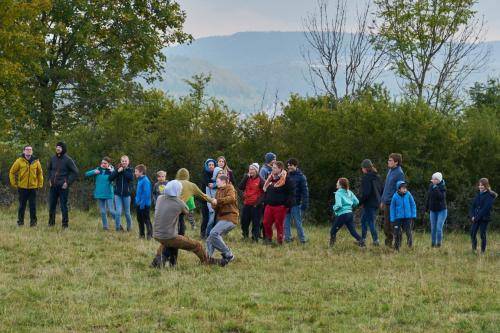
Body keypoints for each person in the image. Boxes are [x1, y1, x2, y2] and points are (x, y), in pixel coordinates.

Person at [161, 168, 215, 266]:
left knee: (170, 238)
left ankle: (169, 261)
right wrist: (213, 201)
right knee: (177, 238)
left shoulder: (173, 183)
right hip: (179, 215)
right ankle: (165, 260)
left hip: (167, 214)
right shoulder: (191, 185)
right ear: (188, 175)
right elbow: (204, 196)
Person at [151, 180, 208, 268]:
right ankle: (206, 262)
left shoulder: (160, 198)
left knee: (167, 244)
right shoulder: (179, 203)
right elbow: (187, 211)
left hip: (156, 234)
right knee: (197, 245)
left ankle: (159, 261)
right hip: (169, 235)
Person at [9, 145, 44, 227]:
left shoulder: (36, 162)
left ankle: (33, 223)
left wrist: (40, 184)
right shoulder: (19, 161)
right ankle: (20, 223)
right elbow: (11, 172)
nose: (28, 151)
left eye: (30, 150)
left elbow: (40, 173)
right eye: (27, 149)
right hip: (22, 188)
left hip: (33, 188)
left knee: (33, 206)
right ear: (24, 151)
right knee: (22, 206)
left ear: (32, 151)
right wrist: (14, 183)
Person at [207, 174, 238, 266]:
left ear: (223, 181)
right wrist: (213, 203)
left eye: (217, 181)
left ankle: (228, 254)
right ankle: (206, 258)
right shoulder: (218, 191)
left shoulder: (230, 188)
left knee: (213, 233)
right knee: (210, 239)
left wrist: (218, 201)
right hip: (221, 218)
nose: (216, 183)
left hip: (230, 217)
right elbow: (216, 206)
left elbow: (231, 198)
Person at [47, 142, 79, 228]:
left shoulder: (68, 160)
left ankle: (65, 225)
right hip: (53, 186)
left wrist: (67, 183)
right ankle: (51, 224)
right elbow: (49, 169)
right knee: (52, 205)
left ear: (63, 149)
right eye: (57, 147)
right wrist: (49, 179)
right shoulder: (53, 158)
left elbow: (75, 172)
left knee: (63, 206)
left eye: (59, 147)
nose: (57, 148)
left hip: (63, 187)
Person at [262, 161, 294, 245]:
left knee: (278, 224)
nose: (273, 169)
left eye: (275, 168)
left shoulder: (286, 179)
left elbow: (291, 192)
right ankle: (268, 238)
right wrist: (265, 200)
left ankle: (280, 241)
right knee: (265, 222)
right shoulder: (270, 178)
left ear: (280, 169)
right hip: (269, 205)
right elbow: (266, 191)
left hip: (280, 206)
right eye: (272, 167)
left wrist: (286, 204)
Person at [330, 178, 365, 247]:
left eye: (337, 182)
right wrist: (350, 205)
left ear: (340, 185)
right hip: (350, 213)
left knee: (333, 231)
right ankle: (362, 242)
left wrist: (334, 208)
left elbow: (339, 205)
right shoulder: (350, 192)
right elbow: (357, 202)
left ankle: (331, 247)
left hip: (342, 214)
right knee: (352, 231)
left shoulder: (338, 193)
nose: (336, 184)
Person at [380, 153, 405, 247]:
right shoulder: (390, 171)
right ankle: (388, 244)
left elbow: (401, 190)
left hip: (393, 203)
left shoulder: (399, 173)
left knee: (394, 224)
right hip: (386, 202)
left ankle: (397, 244)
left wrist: (397, 203)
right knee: (386, 225)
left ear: (396, 162)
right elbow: (386, 187)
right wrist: (382, 200)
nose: (388, 161)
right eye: (388, 160)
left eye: (390, 160)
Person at [85, 157, 116, 231]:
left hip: (109, 193)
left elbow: (116, 179)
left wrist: (112, 172)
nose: (103, 164)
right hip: (100, 193)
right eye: (102, 163)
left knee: (112, 211)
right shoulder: (98, 169)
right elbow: (86, 174)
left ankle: (118, 225)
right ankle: (105, 227)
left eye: (105, 163)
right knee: (102, 211)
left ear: (108, 164)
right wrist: (94, 172)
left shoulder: (112, 171)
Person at [284, 158, 309, 244]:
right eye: (288, 166)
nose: (289, 167)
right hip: (287, 203)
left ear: (295, 165)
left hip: (296, 203)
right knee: (286, 222)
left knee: (298, 223)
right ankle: (287, 239)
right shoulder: (286, 175)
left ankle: (302, 239)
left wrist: (304, 204)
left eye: (290, 165)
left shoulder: (301, 177)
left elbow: (305, 192)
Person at [469, 178, 497, 253]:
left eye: (482, 185)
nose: (480, 187)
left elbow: (485, 208)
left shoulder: (490, 196)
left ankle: (482, 251)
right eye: (479, 185)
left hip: (484, 218)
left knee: (482, 234)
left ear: (486, 185)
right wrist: (472, 216)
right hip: (475, 218)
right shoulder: (478, 195)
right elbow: (473, 206)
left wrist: (477, 217)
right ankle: (474, 249)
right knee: (472, 233)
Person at [359, 159, 383, 246]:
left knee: (370, 222)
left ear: (365, 168)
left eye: (362, 168)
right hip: (376, 202)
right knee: (364, 220)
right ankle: (362, 240)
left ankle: (375, 241)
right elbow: (381, 189)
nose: (362, 169)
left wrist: (360, 202)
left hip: (369, 204)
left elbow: (366, 193)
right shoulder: (377, 176)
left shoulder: (366, 177)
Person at [238, 163, 264, 242]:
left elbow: (264, 193)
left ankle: (254, 238)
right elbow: (240, 187)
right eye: (250, 169)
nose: (251, 171)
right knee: (244, 221)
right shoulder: (247, 178)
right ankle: (245, 236)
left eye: (253, 169)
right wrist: (245, 178)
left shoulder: (261, 180)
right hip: (247, 203)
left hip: (256, 205)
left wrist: (258, 203)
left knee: (256, 223)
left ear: (256, 170)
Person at [109, 155, 134, 231]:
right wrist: (117, 171)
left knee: (127, 213)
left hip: (127, 195)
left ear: (128, 162)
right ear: (121, 162)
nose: (124, 162)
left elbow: (131, 178)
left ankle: (129, 228)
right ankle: (118, 229)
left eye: (125, 161)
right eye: (122, 161)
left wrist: (123, 171)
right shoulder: (117, 170)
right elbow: (110, 178)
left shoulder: (130, 170)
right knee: (118, 212)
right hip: (118, 195)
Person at [390, 181, 416, 251]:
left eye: (405, 188)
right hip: (398, 218)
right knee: (397, 233)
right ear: (398, 189)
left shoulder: (408, 194)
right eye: (403, 188)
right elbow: (392, 208)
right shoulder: (395, 196)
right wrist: (392, 219)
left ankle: (410, 246)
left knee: (408, 232)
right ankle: (397, 247)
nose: (405, 189)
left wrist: (413, 215)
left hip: (407, 217)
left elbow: (413, 204)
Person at [426, 172, 447, 248]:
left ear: (439, 180)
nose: (433, 180)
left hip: (442, 210)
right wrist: (426, 208)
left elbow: (441, 197)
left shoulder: (442, 187)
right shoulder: (431, 186)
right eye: (433, 178)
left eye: (435, 179)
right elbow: (429, 197)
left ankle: (438, 244)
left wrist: (436, 188)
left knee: (438, 228)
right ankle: (433, 244)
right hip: (433, 210)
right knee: (433, 228)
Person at [134, 164, 152, 239]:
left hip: (144, 205)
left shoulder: (145, 181)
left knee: (146, 219)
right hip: (139, 204)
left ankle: (150, 234)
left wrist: (142, 204)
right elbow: (139, 192)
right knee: (139, 220)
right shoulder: (140, 180)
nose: (135, 173)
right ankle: (141, 235)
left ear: (141, 172)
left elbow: (146, 194)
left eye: (136, 171)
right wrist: (136, 201)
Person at [200, 158, 216, 239]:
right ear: (206, 166)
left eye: (212, 165)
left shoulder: (217, 173)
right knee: (206, 217)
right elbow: (208, 183)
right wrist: (215, 183)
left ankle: (211, 234)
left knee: (213, 218)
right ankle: (203, 234)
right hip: (205, 199)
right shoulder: (204, 173)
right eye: (209, 165)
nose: (211, 166)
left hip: (214, 199)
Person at [206, 166, 224, 237]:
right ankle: (207, 235)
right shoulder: (209, 185)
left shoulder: (223, 185)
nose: (221, 174)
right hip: (212, 205)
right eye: (219, 173)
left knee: (219, 222)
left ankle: (217, 236)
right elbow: (208, 197)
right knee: (211, 221)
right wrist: (211, 208)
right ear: (216, 174)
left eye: (222, 173)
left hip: (220, 206)